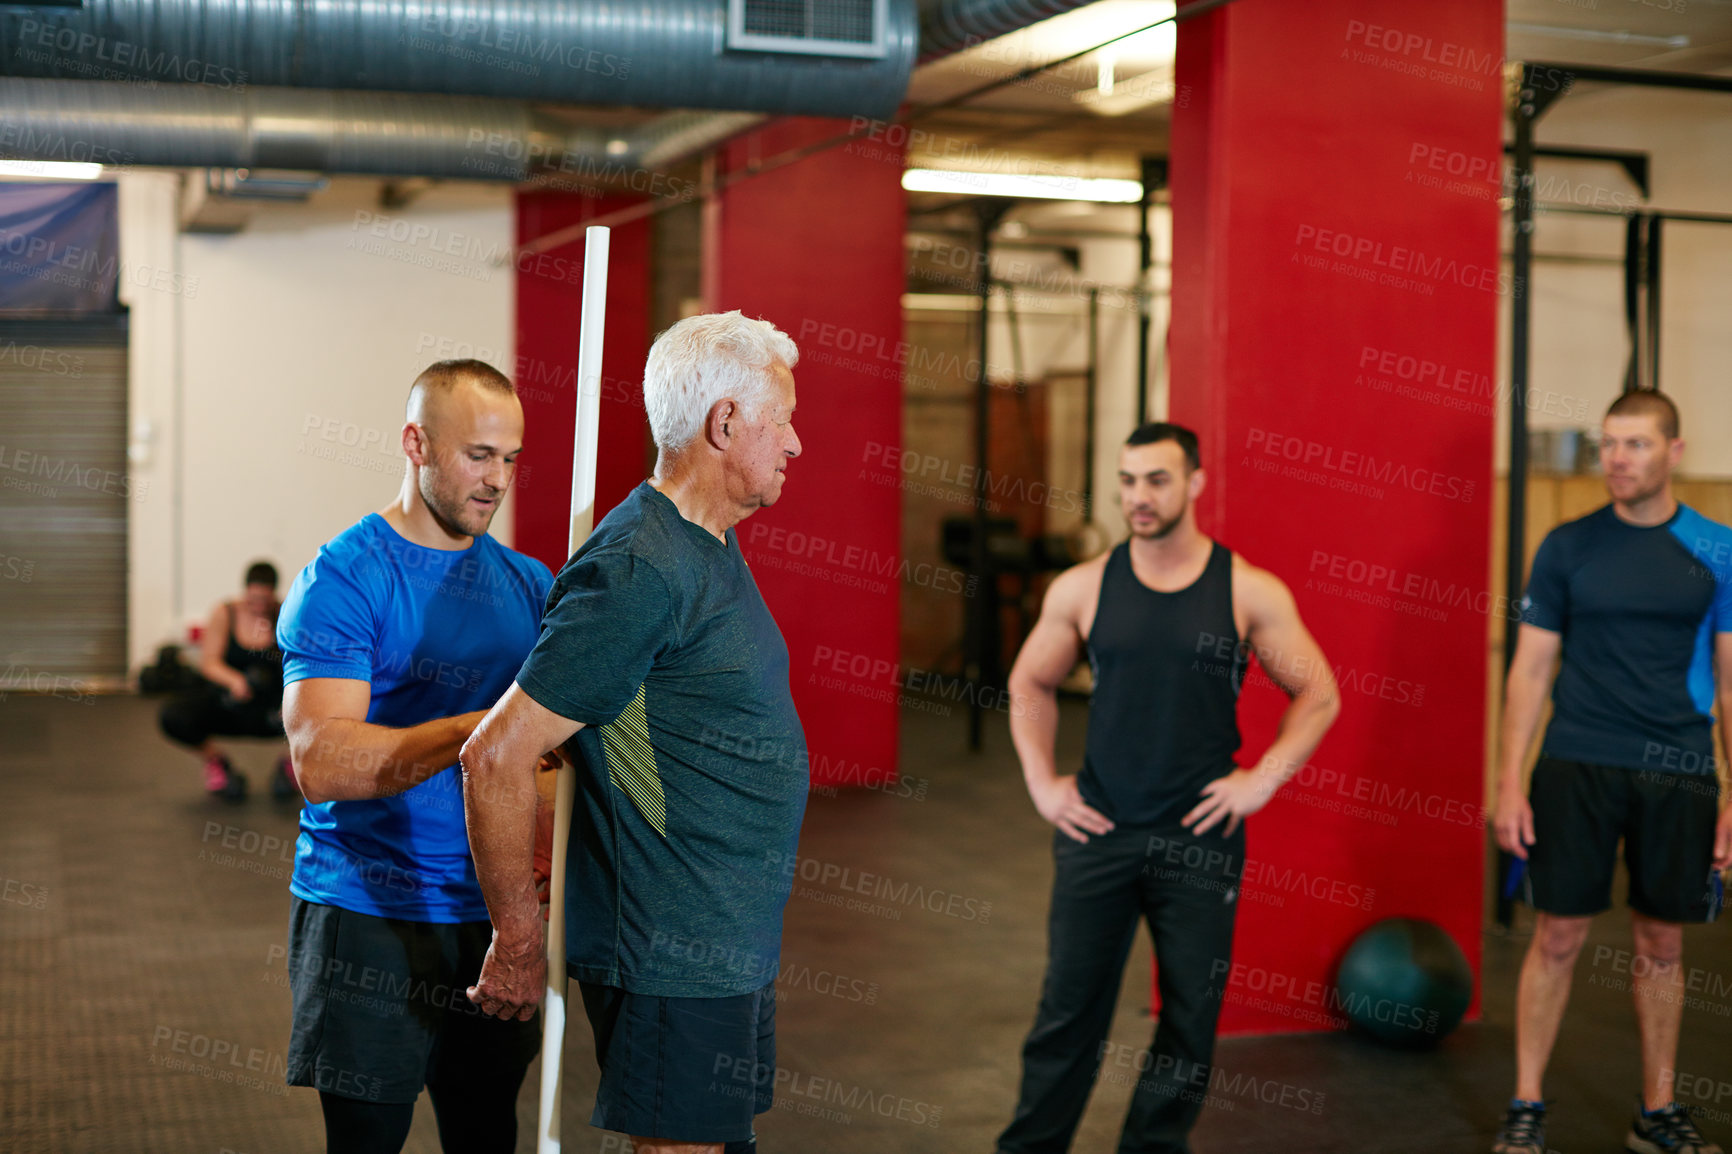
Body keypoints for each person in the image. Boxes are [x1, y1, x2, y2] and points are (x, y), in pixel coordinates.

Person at [460, 311, 807, 1154]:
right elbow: (498, 753)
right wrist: (516, 940)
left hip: (728, 939)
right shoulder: (638, 567)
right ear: (724, 424)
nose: (795, 444)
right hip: (673, 949)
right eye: (783, 420)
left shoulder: (705, 544)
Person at [996, 421, 1340, 1154]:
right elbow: (1029, 681)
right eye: (1127, 480)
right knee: (1067, 1012)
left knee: (1190, 1017)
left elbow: (1319, 694)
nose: (1139, 497)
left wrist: (1260, 783)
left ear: (1195, 482)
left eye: (1156, 479)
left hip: (1200, 838)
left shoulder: (1247, 589)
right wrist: (1041, 783)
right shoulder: (1085, 587)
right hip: (1099, 830)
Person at [276, 359, 555, 1154]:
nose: (496, 479)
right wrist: (490, 732)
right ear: (416, 443)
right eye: (478, 455)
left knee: (484, 1133)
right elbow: (323, 762)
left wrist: (538, 889)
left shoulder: (529, 586)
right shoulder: (345, 577)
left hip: (493, 917)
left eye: (510, 459)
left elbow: (554, 761)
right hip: (368, 914)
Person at [1492, 391, 1732, 1154]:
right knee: (1557, 934)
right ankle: (1526, 1102)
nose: (1617, 460)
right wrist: (1506, 782)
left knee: (1663, 941)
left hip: (1680, 766)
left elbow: (1730, 683)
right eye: (1609, 445)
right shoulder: (1566, 547)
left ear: (1674, 451)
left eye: (1634, 445)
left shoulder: (1718, 549)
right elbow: (1529, 671)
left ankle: (1656, 1111)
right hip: (1578, 762)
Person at [158, 559, 294, 802]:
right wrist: (234, 681)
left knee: (321, 717)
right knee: (173, 715)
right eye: (253, 599)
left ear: (273, 595)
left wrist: (291, 701)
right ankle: (216, 761)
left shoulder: (287, 614)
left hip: (270, 709)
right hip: (231, 703)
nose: (258, 606)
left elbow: (300, 667)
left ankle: (291, 765)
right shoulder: (225, 612)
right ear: (245, 592)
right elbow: (208, 662)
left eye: (264, 601)